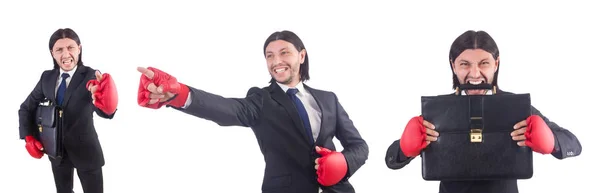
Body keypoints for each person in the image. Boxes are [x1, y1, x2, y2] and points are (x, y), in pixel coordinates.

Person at [135, 30, 368, 193]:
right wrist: (179, 93)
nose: (276, 61)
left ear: (302, 55)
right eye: (270, 55)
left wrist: (343, 164)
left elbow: (359, 146)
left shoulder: (329, 99)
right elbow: (227, 109)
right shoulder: (261, 99)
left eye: (284, 52)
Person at [385, 30, 582, 193]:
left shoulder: (515, 107)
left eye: (484, 63)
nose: (475, 73)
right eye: (465, 64)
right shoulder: (438, 110)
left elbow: (574, 144)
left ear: (496, 64)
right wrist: (404, 149)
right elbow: (391, 159)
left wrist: (552, 142)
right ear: (453, 65)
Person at [18, 28, 119, 193]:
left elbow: (106, 113)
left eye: (70, 47)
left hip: (86, 151)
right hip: (56, 152)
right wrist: (28, 136)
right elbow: (26, 108)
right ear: (52, 53)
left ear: (79, 48)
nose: (65, 54)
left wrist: (104, 101)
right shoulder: (47, 78)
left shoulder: (92, 76)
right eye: (59, 49)